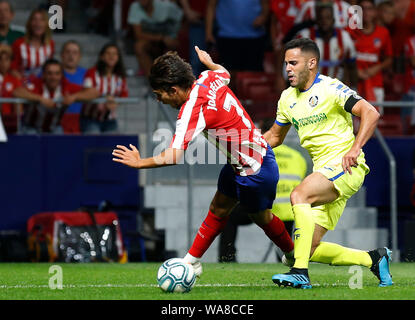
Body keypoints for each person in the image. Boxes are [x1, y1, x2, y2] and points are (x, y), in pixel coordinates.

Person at [112, 47, 295, 277]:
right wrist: (210, 63)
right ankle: (191, 262)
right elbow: (224, 72)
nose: (161, 101)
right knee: (218, 208)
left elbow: (174, 156)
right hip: (240, 162)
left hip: (255, 170)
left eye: (160, 95)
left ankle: (291, 254)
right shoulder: (209, 77)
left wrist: (141, 163)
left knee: (262, 218)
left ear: (174, 89)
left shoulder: (190, 111)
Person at [264, 38, 392, 289]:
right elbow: (274, 137)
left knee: (299, 194)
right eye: (285, 63)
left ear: (311, 63)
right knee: (306, 248)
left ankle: (300, 273)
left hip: (346, 166)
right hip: (324, 173)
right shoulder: (286, 98)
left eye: (293, 63)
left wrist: (355, 148)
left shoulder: (331, 88)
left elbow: (371, 112)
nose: (287, 68)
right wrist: (244, 149)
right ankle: (374, 259)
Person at [218, 140, 307, 263]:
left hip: (263, 205)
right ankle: (286, 262)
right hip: (288, 209)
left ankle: (227, 257)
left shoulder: (257, 152)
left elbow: (247, 178)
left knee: (229, 215)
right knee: (283, 247)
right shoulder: (297, 156)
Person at [13, 58, 99, 134]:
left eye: (57, 73)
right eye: (49, 73)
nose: (53, 77)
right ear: (43, 75)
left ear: (61, 75)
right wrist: (40, 99)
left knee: (60, 141)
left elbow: (94, 92)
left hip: (54, 128)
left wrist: (74, 97)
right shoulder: (36, 84)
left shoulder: (66, 86)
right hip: (31, 127)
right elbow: (17, 92)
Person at [297, 2, 357, 88]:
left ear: (333, 20)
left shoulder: (344, 38)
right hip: (308, 90)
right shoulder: (305, 36)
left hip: (334, 91)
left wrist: (354, 88)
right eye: (321, 18)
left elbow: (352, 66)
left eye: (327, 18)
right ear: (317, 21)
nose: (324, 21)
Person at [205, 0, 269, 74]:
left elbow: (266, 4)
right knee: (227, 74)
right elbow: (211, 5)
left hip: (254, 37)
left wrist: (264, 17)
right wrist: (208, 33)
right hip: (227, 36)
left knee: (252, 74)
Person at [81, 43, 128, 134]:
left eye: (114, 54)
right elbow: (87, 91)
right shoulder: (92, 73)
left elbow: (124, 94)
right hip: (91, 118)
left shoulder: (120, 76)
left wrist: (115, 102)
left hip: (110, 119)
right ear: (102, 56)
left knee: (112, 146)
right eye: (108, 53)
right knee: (93, 146)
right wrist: (104, 98)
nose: (111, 56)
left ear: (118, 58)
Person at [127, 0, 183, 76]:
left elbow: (182, 18)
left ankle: (173, 77)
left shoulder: (166, 6)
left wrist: (175, 37)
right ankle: (152, 80)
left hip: (169, 37)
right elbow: (138, 34)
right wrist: (162, 38)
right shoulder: (135, 7)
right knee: (139, 46)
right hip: (152, 40)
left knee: (176, 45)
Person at [10, 8, 55, 79]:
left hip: (43, 85)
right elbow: (12, 69)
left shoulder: (50, 44)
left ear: (46, 24)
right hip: (23, 84)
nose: (38, 23)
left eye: (42, 20)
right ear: (29, 23)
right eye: (34, 20)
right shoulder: (19, 44)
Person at [60, 40, 87, 133]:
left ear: (80, 56)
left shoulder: (87, 74)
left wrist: (74, 96)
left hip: (81, 120)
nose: (71, 56)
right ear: (62, 55)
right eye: (68, 52)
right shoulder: (52, 72)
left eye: (75, 53)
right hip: (58, 118)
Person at [0, 43, 21, 133]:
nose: (3, 63)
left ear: (10, 62)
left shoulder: (14, 79)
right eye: (0, 60)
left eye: (6, 60)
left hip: (9, 121)